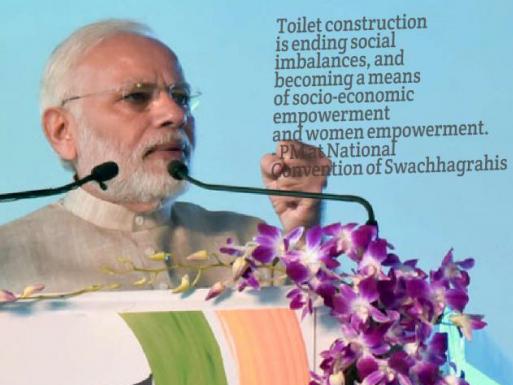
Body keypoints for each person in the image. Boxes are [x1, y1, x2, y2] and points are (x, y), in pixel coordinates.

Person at [0, 20, 330, 294]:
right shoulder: (8, 257)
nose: (176, 114)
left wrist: (302, 232)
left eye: (181, 97)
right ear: (62, 131)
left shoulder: (249, 243)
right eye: (136, 97)